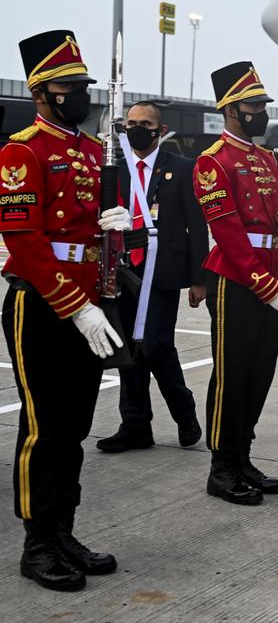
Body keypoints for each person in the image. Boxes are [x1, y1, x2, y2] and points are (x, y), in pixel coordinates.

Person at [0, 29, 132, 590]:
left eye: (84, 86)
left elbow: (89, 235)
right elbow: (24, 240)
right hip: (44, 304)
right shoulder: (21, 150)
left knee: (75, 426)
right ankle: (37, 542)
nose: (83, 95)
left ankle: (64, 530)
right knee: (43, 428)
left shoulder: (90, 151)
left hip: (89, 303)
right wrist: (76, 306)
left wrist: (117, 235)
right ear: (43, 92)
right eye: (72, 86)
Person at [192, 62, 278, 506]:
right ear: (232, 110)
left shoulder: (264, 158)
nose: (262, 112)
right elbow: (229, 235)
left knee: (260, 372)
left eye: (262, 105)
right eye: (254, 106)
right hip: (237, 280)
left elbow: (270, 225)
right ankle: (221, 466)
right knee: (231, 375)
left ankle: (243, 457)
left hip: (269, 276)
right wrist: (268, 287)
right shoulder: (212, 162)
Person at [96, 101, 207, 453]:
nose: (136, 129)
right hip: (123, 269)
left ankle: (184, 412)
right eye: (131, 123)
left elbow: (196, 227)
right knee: (127, 350)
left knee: (157, 346)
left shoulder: (183, 168)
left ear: (160, 130)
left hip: (161, 272)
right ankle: (135, 425)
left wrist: (198, 278)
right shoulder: (115, 169)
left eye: (145, 123)